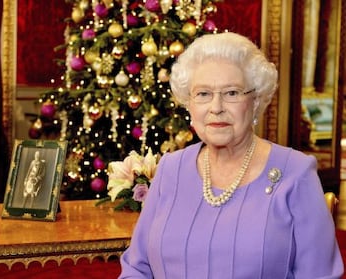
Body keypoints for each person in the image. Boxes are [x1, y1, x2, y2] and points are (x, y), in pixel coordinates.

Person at [119, 32, 344, 278]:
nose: (216, 108)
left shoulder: (296, 174)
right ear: (189, 104)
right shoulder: (170, 169)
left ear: (256, 101)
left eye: (232, 93)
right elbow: (136, 267)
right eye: (203, 94)